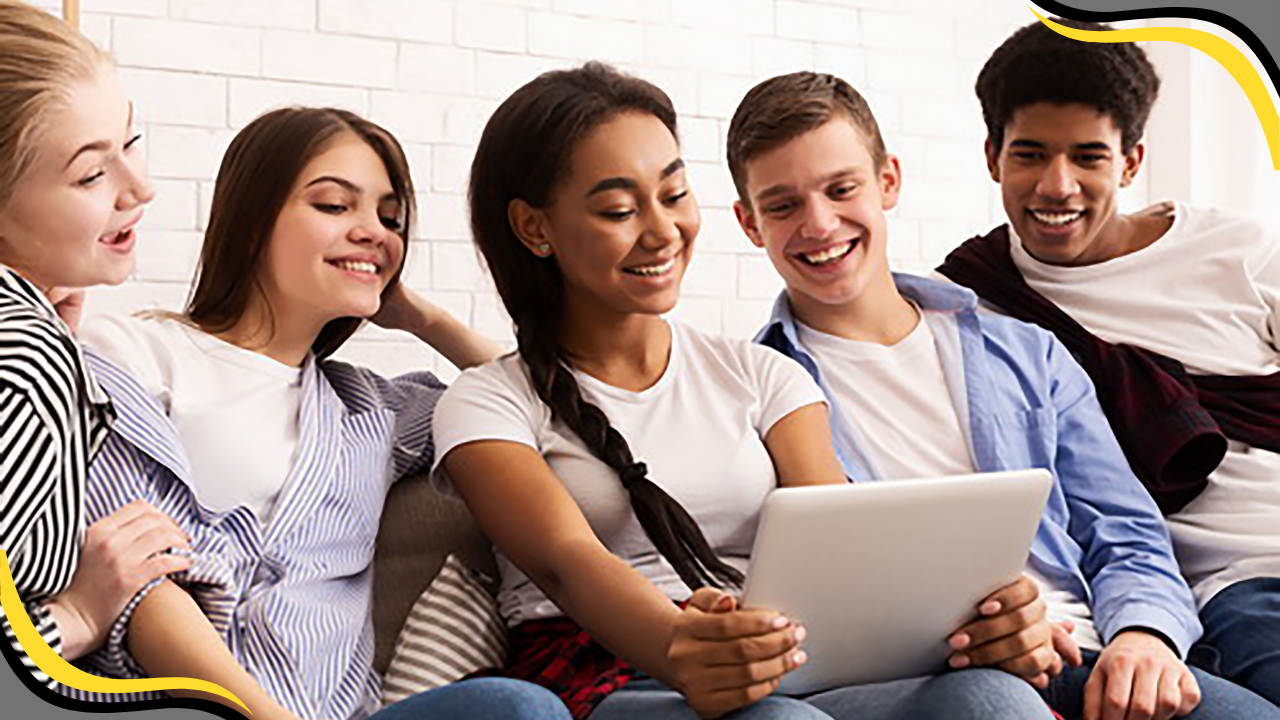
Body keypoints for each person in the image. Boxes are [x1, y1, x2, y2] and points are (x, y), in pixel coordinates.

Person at [431, 61, 1062, 720]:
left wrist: (981, 619)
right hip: (608, 672)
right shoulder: (487, 404)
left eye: (673, 195)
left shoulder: (764, 376)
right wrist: (683, 647)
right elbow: (568, 562)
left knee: (993, 698)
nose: (661, 231)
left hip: (780, 656)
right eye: (619, 209)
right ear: (535, 228)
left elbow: (844, 542)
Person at [728, 70, 1280, 720]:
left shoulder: (1025, 351)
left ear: (888, 181)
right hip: (944, 674)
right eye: (783, 205)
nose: (818, 224)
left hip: (1090, 651)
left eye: (841, 189)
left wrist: (1146, 634)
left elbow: (1124, 526)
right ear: (749, 222)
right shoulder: (752, 389)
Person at [71, 106, 570, 720]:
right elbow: (142, 577)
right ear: (252, 221)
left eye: (389, 218)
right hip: (181, 706)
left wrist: (423, 318)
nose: (375, 233)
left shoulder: (374, 411)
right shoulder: (133, 353)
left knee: (517, 709)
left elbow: (548, 413)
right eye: (335, 206)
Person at [935, 18, 1280, 709]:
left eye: (1089, 157)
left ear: (1130, 162)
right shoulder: (973, 307)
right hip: (1232, 586)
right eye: (1029, 155)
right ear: (992, 156)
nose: (1057, 186)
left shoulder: (1242, 252)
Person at [0, 0, 202, 691]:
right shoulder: (27, 357)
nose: (140, 188)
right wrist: (80, 613)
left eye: (131, 141)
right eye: (91, 174)